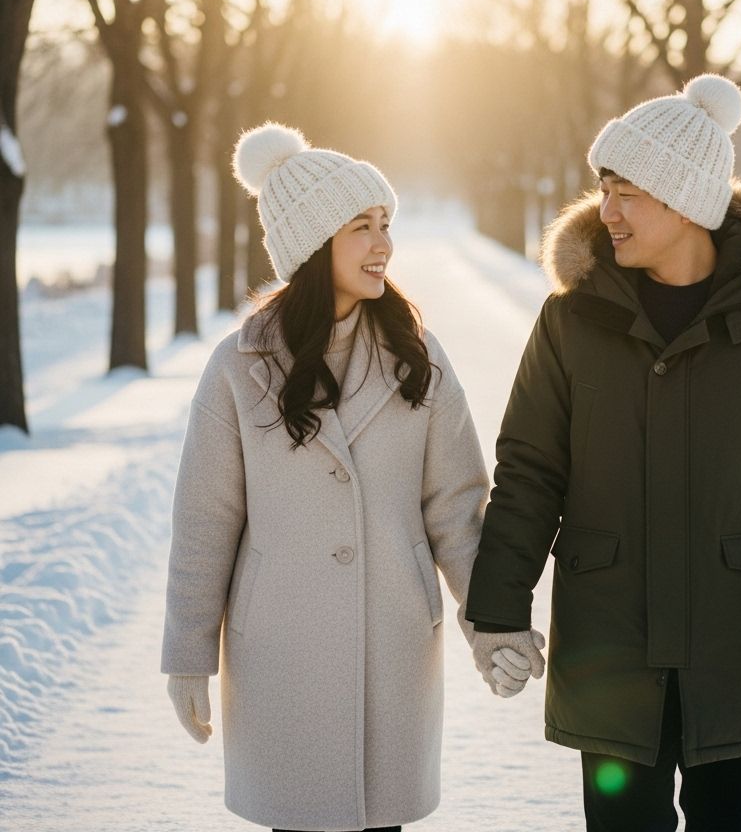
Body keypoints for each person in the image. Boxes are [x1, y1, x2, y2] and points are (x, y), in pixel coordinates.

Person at [465, 75, 741, 832]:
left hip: (739, 646)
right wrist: (498, 613)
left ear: (687, 198)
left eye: (627, 191)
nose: (607, 212)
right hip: (608, 648)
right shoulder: (572, 321)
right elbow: (530, 472)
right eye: (604, 188)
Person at [161, 122, 509, 831]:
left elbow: (458, 513)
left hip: (395, 643)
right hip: (280, 650)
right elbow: (206, 520)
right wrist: (187, 657)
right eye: (361, 226)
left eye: (386, 224)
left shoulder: (420, 355)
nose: (383, 243)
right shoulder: (239, 365)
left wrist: (492, 626)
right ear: (314, 243)